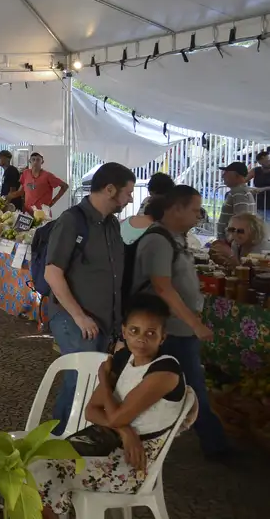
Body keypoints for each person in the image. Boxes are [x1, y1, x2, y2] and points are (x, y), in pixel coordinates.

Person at [31, 294, 194, 519]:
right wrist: (125, 430)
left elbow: (114, 416)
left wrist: (104, 379)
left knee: (45, 471)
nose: (141, 340)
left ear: (162, 337)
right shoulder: (124, 358)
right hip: (106, 442)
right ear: (125, 331)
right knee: (33, 462)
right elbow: (92, 410)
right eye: (134, 331)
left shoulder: (165, 371)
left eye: (151, 333)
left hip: (133, 463)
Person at [130, 184, 231, 459]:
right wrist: (194, 324)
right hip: (170, 330)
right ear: (176, 209)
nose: (199, 216)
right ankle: (215, 444)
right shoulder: (157, 241)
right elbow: (162, 287)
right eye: (195, 210)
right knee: (192, 387)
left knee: (180, 386)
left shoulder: (176, 238)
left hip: (177, 328)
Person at [44, 162, 135, 433]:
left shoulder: (111, 226)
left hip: (102, 321)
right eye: (128, 192)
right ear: (109, 189)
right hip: (75, 319)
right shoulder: (72, 221)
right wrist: (79, 316)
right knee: (82, 381)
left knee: (88, 381)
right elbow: (52, 273)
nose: (131, 198)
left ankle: (64, 439)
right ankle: (59, 441)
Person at [121, 172, 175, 245]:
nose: (150, 198)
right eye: (151, 194)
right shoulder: (147, 201)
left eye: (153, 194)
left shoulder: (170, 206)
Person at [216, 161, 256, 238]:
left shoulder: (240, 193)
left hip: (232, 244)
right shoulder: (237, 192)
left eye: (226, 173)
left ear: (237, 176)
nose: (222, 176)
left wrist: (231, 241)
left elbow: (242, 222)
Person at [253, 150, 270, 221]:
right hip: (259, 203)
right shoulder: (256, 170)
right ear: (260, 161)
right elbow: (243, 180)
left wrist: (264, 189)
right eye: (268, 159)